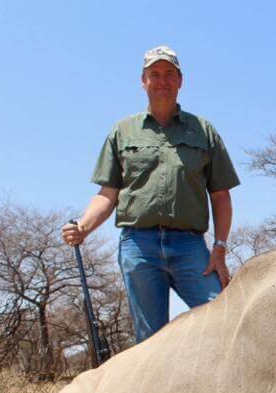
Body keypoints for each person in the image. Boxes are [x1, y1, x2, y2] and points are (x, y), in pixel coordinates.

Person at [62, 45, 240, 343]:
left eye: (169, 74)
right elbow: (108, 193)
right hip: (138, 246)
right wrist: (83, 227)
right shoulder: (123, 131)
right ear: (143, 80)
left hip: (190, 246)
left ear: (180, 81)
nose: (162, 80)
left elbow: (221, 196)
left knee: (222, 324)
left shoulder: (203, 131)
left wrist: (220, 248)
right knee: (150, 341)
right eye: (154, 74)